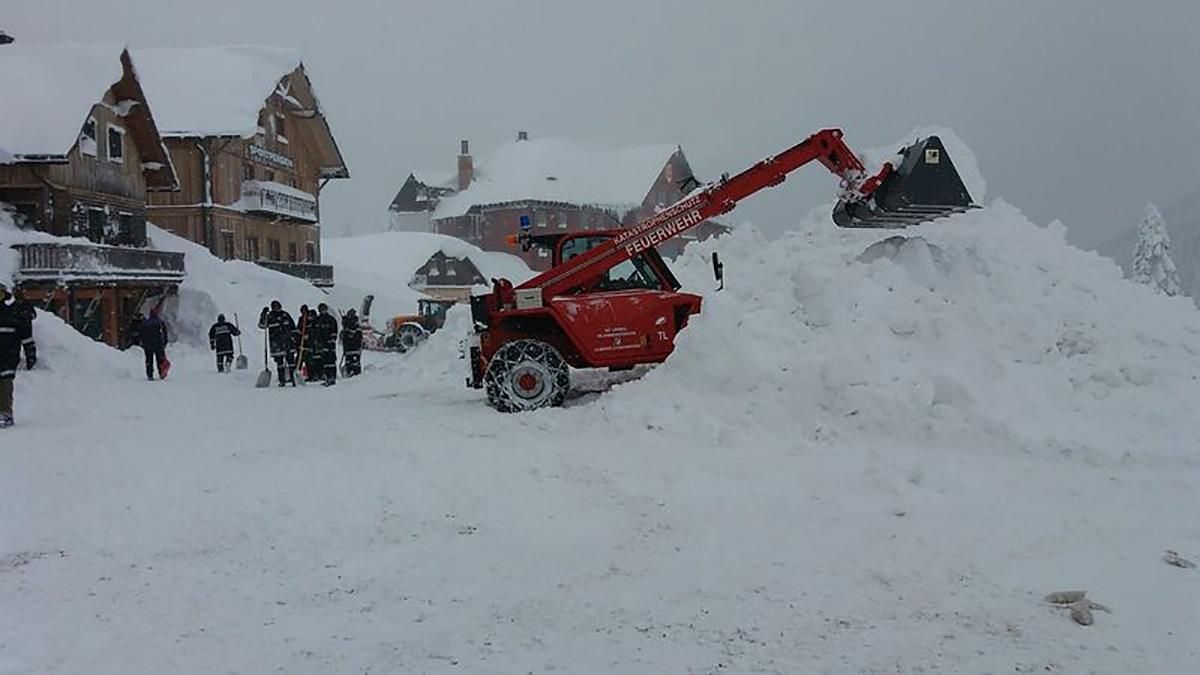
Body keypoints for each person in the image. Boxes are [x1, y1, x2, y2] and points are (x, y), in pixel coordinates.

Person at [0, 282, 36, 428]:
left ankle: (5, 413)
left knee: (5, 384)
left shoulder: (13, 312)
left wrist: (30, 352)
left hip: (9, 354)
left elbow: (26, 330)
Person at [258, 300, 296, 386]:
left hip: (288, 342)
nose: (276, 308)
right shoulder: (270, 316)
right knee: (280, 363)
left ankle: (293, 378)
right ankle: (282, 380)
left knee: (291, 362)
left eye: (277, 306)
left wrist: (295, 337)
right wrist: (263, 314)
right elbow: (262, 325)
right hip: (276, 343)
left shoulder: (285, 315)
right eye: (274, 306)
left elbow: (293, 327)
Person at [309, 303, 339, 386]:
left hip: (330, 344)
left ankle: (332, 377)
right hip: (321, 345)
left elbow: (334, 331)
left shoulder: (331, 320)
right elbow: (313, 332)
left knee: (331, 361)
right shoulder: (317, 320)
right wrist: (316, 341)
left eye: (324, 309)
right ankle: (327, 377)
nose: (323, 311)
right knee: (325, 362)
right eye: (321, 309)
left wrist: (332, 340)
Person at [140, 308, 169, 381]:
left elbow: (142, 334)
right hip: (158, 345)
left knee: (149, 360)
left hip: (148, 345)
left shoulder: (145, 323)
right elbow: (164, 334)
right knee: (159, 359)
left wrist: (143, 343)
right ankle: (161, 373)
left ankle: (150, 375)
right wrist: (164, 343)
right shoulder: (160, 322)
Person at [340, 308, 363, 378]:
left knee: (355, 362)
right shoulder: (347, 325)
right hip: (348, 347)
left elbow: (355, 335)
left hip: (355, 346)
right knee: (349, 362)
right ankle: (349, 372)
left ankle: (356, 374)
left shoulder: (355, 324)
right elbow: (343, 337)